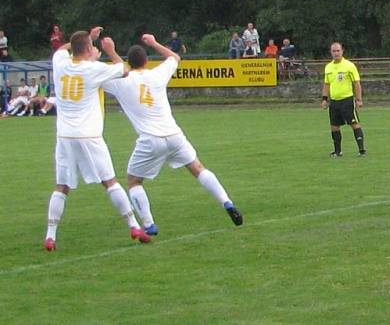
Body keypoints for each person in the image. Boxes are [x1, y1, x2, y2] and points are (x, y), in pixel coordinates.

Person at [102, 34, 243, 236]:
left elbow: (114, 73)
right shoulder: (157, 74)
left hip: (150, 139)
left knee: (133, 181)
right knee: (198, 168)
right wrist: (154, 43)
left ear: (129, 63)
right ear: (146, 61)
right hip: (174, 134)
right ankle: (226, 202)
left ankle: (149, 224)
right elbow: (175, 57)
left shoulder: (121, 82)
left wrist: (110, 52)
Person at [43, 27, 151, 251]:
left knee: (61, 186)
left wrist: (87, 40)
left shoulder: (60, 63)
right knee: (109, 181)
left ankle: (50, 235)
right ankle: (134, 226)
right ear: (90, 49)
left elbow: (64, 49)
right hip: (89, 135)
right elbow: (125, 71)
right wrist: (110, 50)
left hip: (64, 136)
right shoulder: (93, 69)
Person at [321, 42, 365, 157]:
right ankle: (337, 151)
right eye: (333, 51)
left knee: (354, 124)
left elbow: (356, 83)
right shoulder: (328, 67)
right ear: (331, 52)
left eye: (338, 51)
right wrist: (325, 99)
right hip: (334, 101)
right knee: (334, 126)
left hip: (347, 100)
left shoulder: (349, 66)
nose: (336, 53)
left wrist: (359, 99)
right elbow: (326, 84)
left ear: (342, 51)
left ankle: (361, 150)